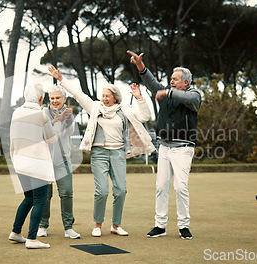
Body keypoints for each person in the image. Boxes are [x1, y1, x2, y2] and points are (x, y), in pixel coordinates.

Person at [48, 65, 155, 237]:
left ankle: (115, 225)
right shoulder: (95, 107)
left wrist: (139, 98)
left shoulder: (124, 111)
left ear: (115, 98)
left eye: (107, 96)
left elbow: (144, 117)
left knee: (121, 190)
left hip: (118, 153)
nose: (104, 98)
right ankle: (97, 225)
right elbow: (78, 94)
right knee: (102, 191)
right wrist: (61, 79)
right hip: (99, 154)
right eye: (103, 95)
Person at [127, 50, 201, 240]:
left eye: (175, 79)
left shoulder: (194, 94)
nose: (171, 81)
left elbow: (188, 99)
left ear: (186, 82)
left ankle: (184, 226)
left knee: (180, 187)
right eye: (170, 78)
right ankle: (160, 225)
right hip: (165, 148)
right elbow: (151, 83)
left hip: (183, 148)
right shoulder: (165, 93)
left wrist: (168, 92)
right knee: (161, 186)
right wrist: (140, 66)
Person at [8, 83, 58, 249]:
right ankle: (32, 239)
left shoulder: (16, 113)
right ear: (41, 98)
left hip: (20, 163)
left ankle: (16, 232)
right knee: (40, 200)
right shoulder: (42, 114)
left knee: (29, 198)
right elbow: (52, 139)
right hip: (37, 163)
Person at [36, 85, 81, 239]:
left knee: (67, 192)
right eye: (52, 98)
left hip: (63, 160)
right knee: (45, 195)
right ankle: (42, 226)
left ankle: (68, 228)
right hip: (45, 161)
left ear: (63, 99)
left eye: (58, 98)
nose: (55, 101)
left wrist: (64, 119)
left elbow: (69, 132)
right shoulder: (42, 113)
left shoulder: (69, 114)